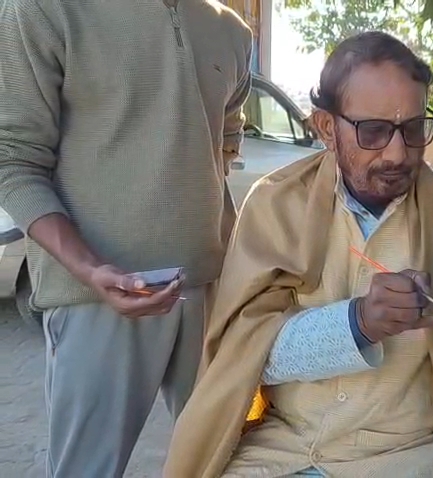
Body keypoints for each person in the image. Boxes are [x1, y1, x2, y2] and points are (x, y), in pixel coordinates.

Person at [163, 31, 433, 477]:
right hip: (284, 451)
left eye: (413, 130)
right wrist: (358, 323)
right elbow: (243, 357)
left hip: (412, 456)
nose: (398, 152)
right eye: (374, 131)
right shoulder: (276, 204)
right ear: (325, 127)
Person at [0, 1, 252, 476]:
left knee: (223, 461)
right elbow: (13, 159)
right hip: (93, 295)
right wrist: (89, 268)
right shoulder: (44, 9)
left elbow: (226, 141)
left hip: (211, 292)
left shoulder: (232, 30)